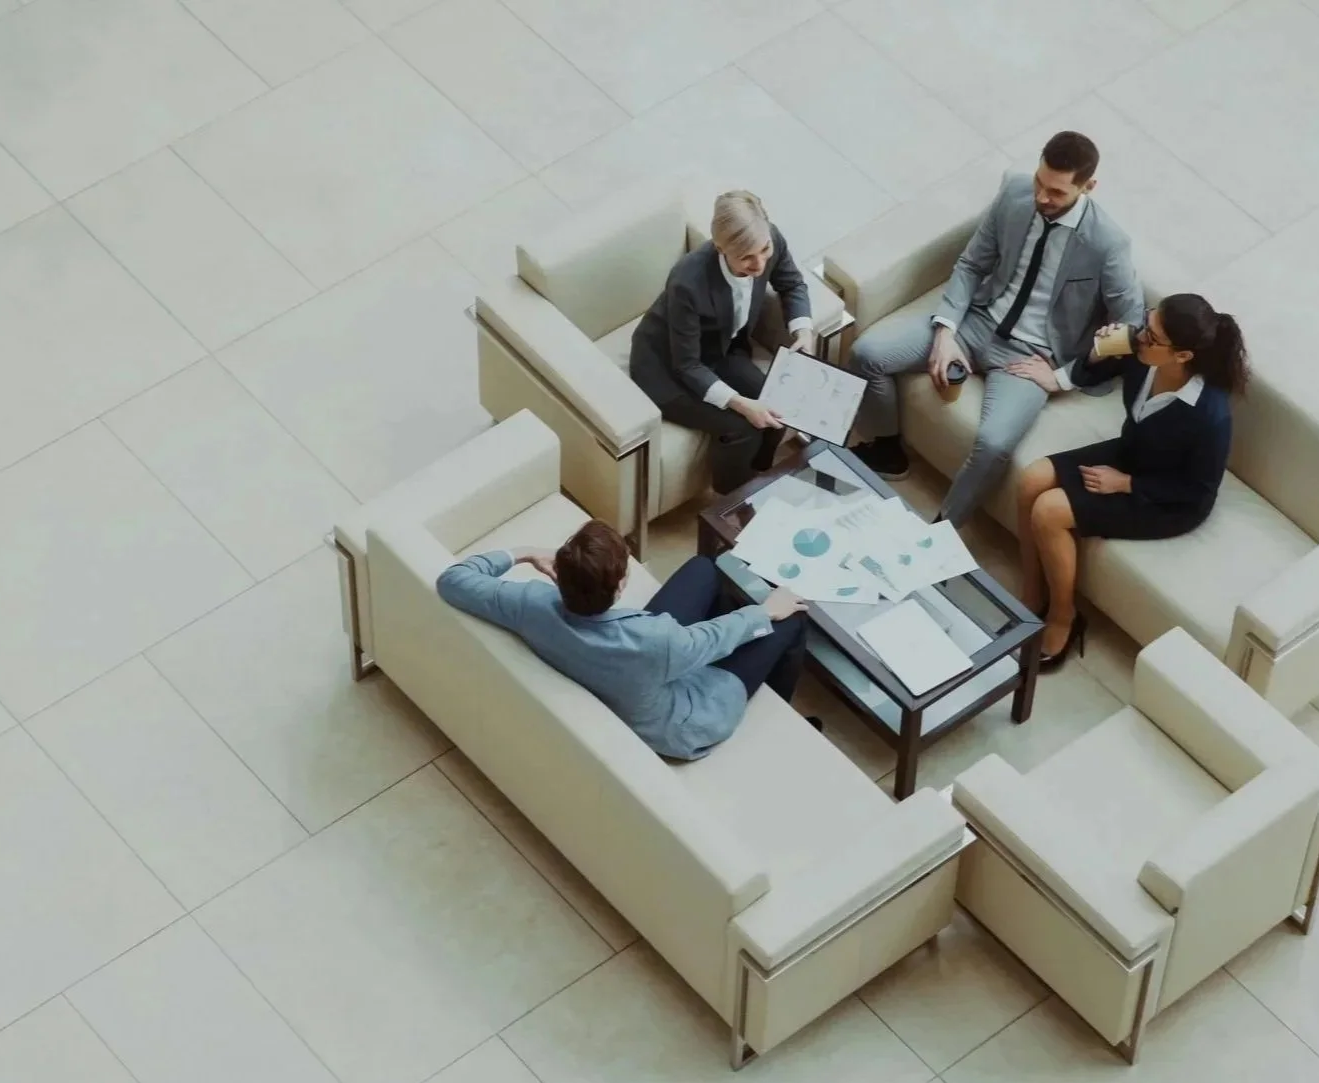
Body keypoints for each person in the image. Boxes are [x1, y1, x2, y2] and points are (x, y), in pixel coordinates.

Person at [847, 132, 1144, 523]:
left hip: (1031, 358)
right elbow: (972, 264)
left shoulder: (1109, 244)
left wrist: (1063, 377)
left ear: (1088, 187)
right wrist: (946, 331)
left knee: (993, 441)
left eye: (1056, 192)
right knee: (866, 354)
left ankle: (941, 533)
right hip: (977, 321)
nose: (1042, 197)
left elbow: (1131, 327)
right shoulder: (1015, 193)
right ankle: (886, 449)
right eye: (1040, 182)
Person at [1006, 294, 1250, 669]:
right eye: (1146, 322)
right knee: (1031, 479)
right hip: (1134, 453)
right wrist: (1098, 353)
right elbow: (1090, 376)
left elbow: (1198, 491)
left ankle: (1063, 618)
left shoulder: (1209, 416)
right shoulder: (1141, 354)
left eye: (1152, 336)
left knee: (1049, 511)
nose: (1140, 337)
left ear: (1182, 356)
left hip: (1167, 500)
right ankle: (1031, 596)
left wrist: (1127, 485)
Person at [436, 520, 811, 760]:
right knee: (789, 622)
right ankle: (774, 700)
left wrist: (525, 552)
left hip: (627, 666)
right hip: (678, 718)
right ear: (619, 587)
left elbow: (453, 580)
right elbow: (712, 638)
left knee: (703, 569)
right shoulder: (657, 640)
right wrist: (767, 611)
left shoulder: (530, 604)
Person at [629, 190, 814, 494]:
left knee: (778, 405)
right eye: (746, 258)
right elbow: (687, 364)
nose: (759, 265)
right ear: (721, 248)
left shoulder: (771, 239)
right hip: (667, 368)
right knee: (743, 427)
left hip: (721, 350)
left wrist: (803, 332)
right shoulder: (686, 282)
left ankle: (759, 474)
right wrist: (742, 405)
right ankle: (731, 501)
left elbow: (792, 284)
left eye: (764, 251)